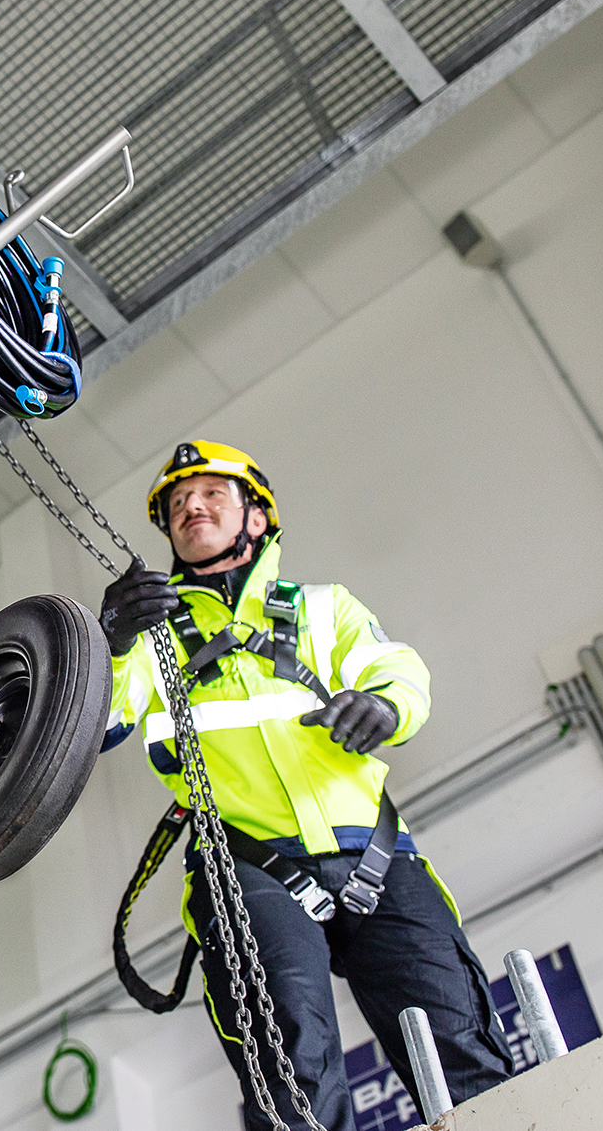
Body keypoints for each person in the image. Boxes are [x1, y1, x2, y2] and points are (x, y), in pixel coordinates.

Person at [99, 440, 511, 1130]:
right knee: (290, 1061)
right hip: (245, 864)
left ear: (256, 518)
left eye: (211, 495)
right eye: (176, 505)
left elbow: (397, 669)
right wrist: (108, 641)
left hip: (376, 854)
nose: (190, 507)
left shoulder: (325, 608)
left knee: (457, 1043)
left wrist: (386, 706)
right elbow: (101, 722)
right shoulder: (152, 643)